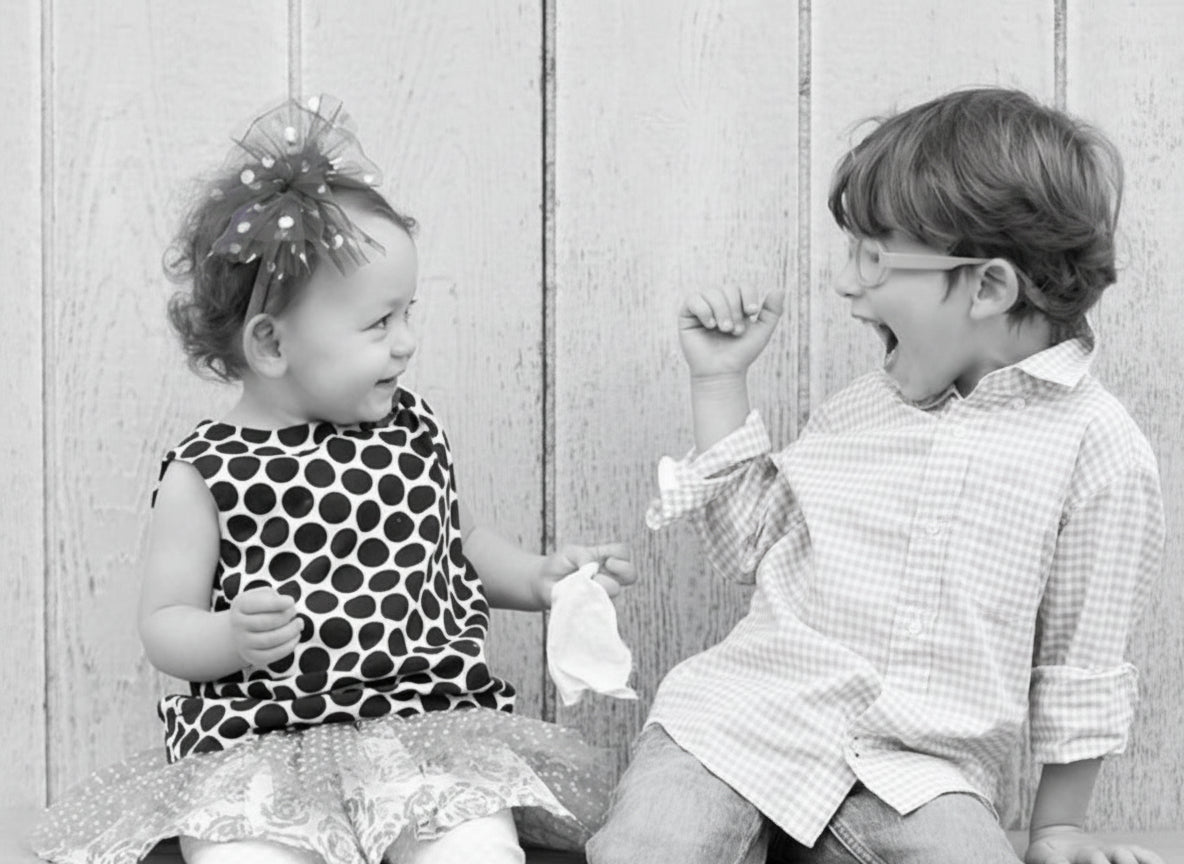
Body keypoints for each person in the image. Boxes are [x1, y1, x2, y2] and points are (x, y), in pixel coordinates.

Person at [33, 95, 634, 864]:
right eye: (379, 324)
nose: (407, 342)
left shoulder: (410, 428)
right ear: (272, 344)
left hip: (425, 733)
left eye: (408, 313)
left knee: (476, 850)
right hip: (261, 746)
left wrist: (542, 578)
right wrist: (227, 637)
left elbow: (457, 546)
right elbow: (164, 622)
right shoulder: (208, 471)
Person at [588, 88, 1164, 864]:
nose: (848, 286)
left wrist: (1059, 828)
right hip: (739, 724)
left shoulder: (1099, 450)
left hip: (919, 773)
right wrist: (720, 384)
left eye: (874, 258)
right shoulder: (864, 406)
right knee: (650, 849)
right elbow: (750, 548)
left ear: (989, 287)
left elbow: (1082, 660)